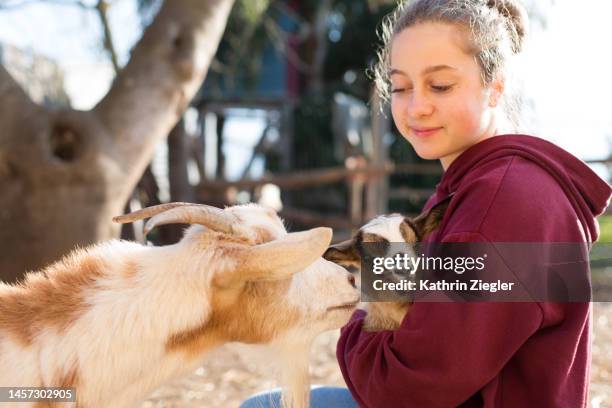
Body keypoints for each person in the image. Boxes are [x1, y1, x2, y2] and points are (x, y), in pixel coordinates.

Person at [242, 0, 611, 406]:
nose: (416, 106)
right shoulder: (474, 187)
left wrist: (357, 323)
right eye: (400, 87)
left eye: (440, 85)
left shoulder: (502, 204)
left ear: (495, 87)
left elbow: (406, 390)